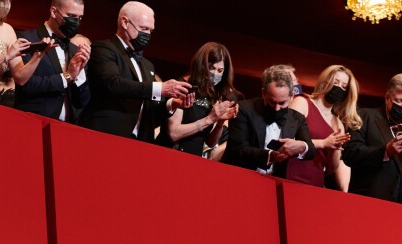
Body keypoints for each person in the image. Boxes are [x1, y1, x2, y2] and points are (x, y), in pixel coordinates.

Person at [80, 1, 193, 142]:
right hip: (105, 135)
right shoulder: (103, 49)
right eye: (144, 28)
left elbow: (148, 114)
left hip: (138, 142)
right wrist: (160, 88)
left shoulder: (147, 65)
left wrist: (173, 104)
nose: (147, 35)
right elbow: (113, 83)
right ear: (125, 22)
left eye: (150, 31)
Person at [342, 73, 402, 207]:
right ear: (387, 97)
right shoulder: (364, 116)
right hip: (370, 199)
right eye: (399, 101)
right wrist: (385, 152)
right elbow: (350, 153)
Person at [222, 64, 315, 177]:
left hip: (273, 182)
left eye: (282, 103)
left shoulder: (297, 118)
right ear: (263, 93)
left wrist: (301, 146)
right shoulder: (244, 109)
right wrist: (270, 156)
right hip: (239, 176)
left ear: (292, 96)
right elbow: (237, 149)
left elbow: (311, 151)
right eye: (272, 102)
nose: (276, 108)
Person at [13, 0, 91, 123]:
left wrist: (79, 74)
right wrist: (67, 76)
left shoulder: (76, 50)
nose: (76, 22)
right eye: (71, 16)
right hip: (33, 122)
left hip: (66, 129)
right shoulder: (27, 40)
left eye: (80, 18)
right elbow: (26, 85)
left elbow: (81, 102)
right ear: (54, 12)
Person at [287, 64, 359, 190]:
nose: (339, 88)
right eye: (335, 82)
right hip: (291, 174)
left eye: (344, 87)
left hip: (316, 182)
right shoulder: (302, 102)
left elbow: (331, 167)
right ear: (325, 81)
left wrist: (335, 149)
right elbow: (286, 139)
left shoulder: (338, 124)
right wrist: (324, 143)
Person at [160, 41, 238, 156]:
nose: (215, 74)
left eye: (220, 71)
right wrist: (209, 119)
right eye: (211, 68)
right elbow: (174, 133)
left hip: (194, 157)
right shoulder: (183, 86)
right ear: (202, 65)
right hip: (169, 153)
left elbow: (210, 143)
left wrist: (220, 122)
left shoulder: (214, 94)